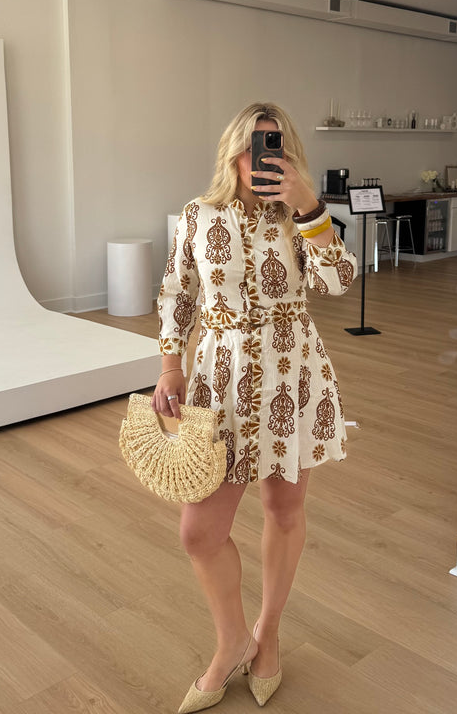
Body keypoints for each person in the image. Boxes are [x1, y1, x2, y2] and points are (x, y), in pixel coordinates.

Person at [152, 102, 357, 713]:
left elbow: (341, 280)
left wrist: (310, 207)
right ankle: (231, 640)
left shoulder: (304, 217)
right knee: (199, 531)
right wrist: (170, 364)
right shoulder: (198, 215)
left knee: (284, 508)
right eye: (248, 146)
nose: (256, 160)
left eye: (271, 146)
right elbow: (176, 291)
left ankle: (268, 634)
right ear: (231, 152)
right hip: (219, 381)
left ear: (287, 153)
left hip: (294, 375)